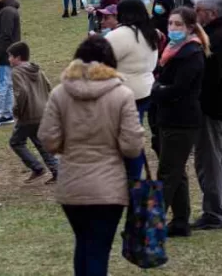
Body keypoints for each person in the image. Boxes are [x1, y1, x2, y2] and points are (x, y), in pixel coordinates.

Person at [39, 36, 145, 276]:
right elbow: (131, 146)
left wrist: (72, 145)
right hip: (108, 187)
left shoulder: (60, 93)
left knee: (84, 243)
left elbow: (49, 138)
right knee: (98, 249)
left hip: (72, 185)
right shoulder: (122, 95)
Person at [152, 6, 208, 237]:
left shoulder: (191, 52)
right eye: (171, 24)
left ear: (190, 27)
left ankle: (152, 225)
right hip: (169, 117)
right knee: (176, 171)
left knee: (167, 173)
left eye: (178, 25)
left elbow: (179, 88)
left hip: (181, 120)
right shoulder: (173, 49)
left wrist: (156, 90)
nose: (173, 28)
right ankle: (181, 221)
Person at [191, 0, 222, 230]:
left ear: (210, 13)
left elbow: (210, 78)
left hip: (212, 109)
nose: (194, 14)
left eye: (197, 10)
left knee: (209, 163)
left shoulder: (216, 38)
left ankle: (214, 212)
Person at [105, 0, 159, 179]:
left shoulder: (120, 35)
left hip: (125, 92)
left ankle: (132, 178)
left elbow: (102, 60)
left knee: (128, 140)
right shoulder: (149, 31)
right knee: (134, 134)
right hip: (146, 88)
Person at [7, 41, 58, 183]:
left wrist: (17, 111)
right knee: (40, 141)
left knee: (16, 142)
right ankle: (56, 170)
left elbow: (21, 93)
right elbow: (48, 86)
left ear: (18, 57)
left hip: (28, 115)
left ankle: (37, 168)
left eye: (10, 56)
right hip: (42, 112)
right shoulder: (37, 69)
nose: (9, 60)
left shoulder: (17, 72)